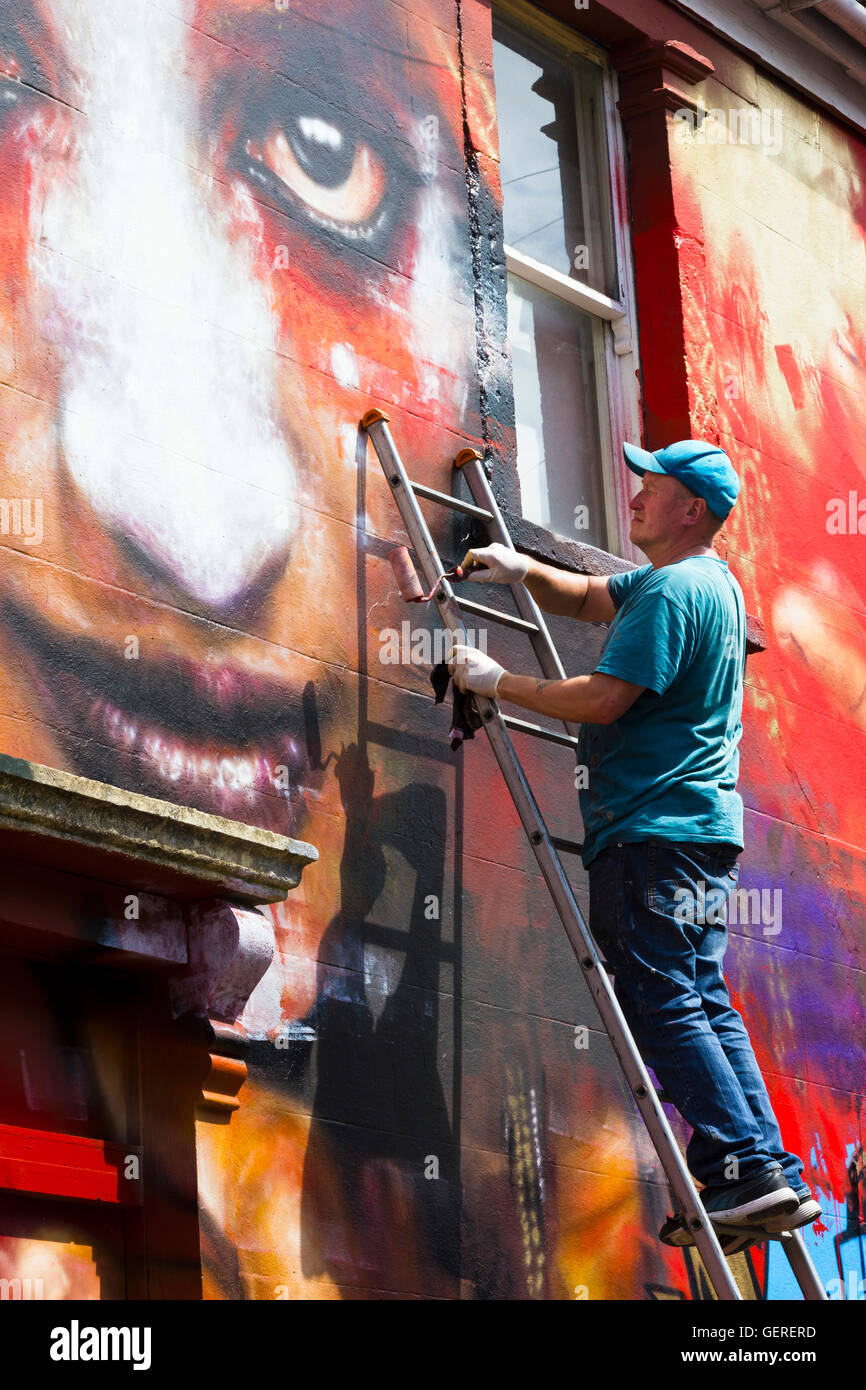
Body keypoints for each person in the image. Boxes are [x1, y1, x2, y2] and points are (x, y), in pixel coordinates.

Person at [449, 438, 822, 1250]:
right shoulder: (709, 585)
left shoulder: (669, 593)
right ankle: (762, 1169)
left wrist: (494, 682)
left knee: (657, 997)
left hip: (650, 832)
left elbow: (605, 699)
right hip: (703, 834)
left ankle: (738, 1161)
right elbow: (590, 595)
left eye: (651, 487)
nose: (636, 498)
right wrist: (523, 570)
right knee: (699, 996)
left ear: (692, 508)